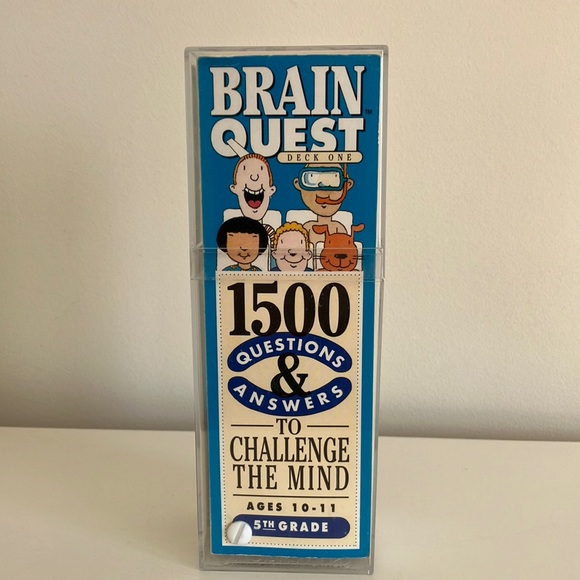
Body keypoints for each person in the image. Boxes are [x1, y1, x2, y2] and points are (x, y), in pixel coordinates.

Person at [292, 162, 354, 246]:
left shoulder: (338, 228)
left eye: (333, 181)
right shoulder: (307, 228)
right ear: (298, 184)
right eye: (312, 179)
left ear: (347, 185)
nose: (323, 194)